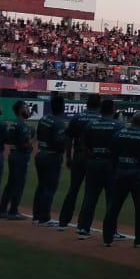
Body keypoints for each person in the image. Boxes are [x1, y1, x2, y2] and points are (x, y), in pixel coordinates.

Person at [103, 112, 140, 247]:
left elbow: (111, 154)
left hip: (121, 172)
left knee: (113, 206)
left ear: (132, 121)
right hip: (138, 174)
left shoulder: (118, 134)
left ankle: (107, 237)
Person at [75, 98, 123, 238]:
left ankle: (83, 227)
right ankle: (111, 231)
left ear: (101, 109)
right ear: (113, 109)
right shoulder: (118, 125)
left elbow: (83, 146)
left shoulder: (91, 124)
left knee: (90, 196)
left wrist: (91, 154)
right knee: (111, 199)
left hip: (93, 162)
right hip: (110, 165)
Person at [58, 94, 101, 231]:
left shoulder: (77, 117)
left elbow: (68, 138)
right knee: (90, 193)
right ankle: (82, 227)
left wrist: (68, 157)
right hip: (94, 159)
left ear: (87, 104)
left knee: (73, 189)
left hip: (78, 156)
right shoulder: (100, 119)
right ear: (98, 105)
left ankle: (63, 221)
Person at [32, 96, 69, 225]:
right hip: (52, 156)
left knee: (41, 186)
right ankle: (44, 217)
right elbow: (59, 142)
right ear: (62, 107)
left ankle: (36, 215)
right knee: (49, 188)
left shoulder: (44, 118)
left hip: (41, 153)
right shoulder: (59, 122)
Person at [0, 101, 34, 219]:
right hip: (20, 156)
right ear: (20, 110)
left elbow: (7, 140)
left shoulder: (13, 124)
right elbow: (24, 144)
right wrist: (31, 142)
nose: (27, 110)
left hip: (13, 154)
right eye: (25, 108)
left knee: (11, 183)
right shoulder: (22, 125)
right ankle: (13, 211)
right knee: (18, 184)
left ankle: (2, 210)